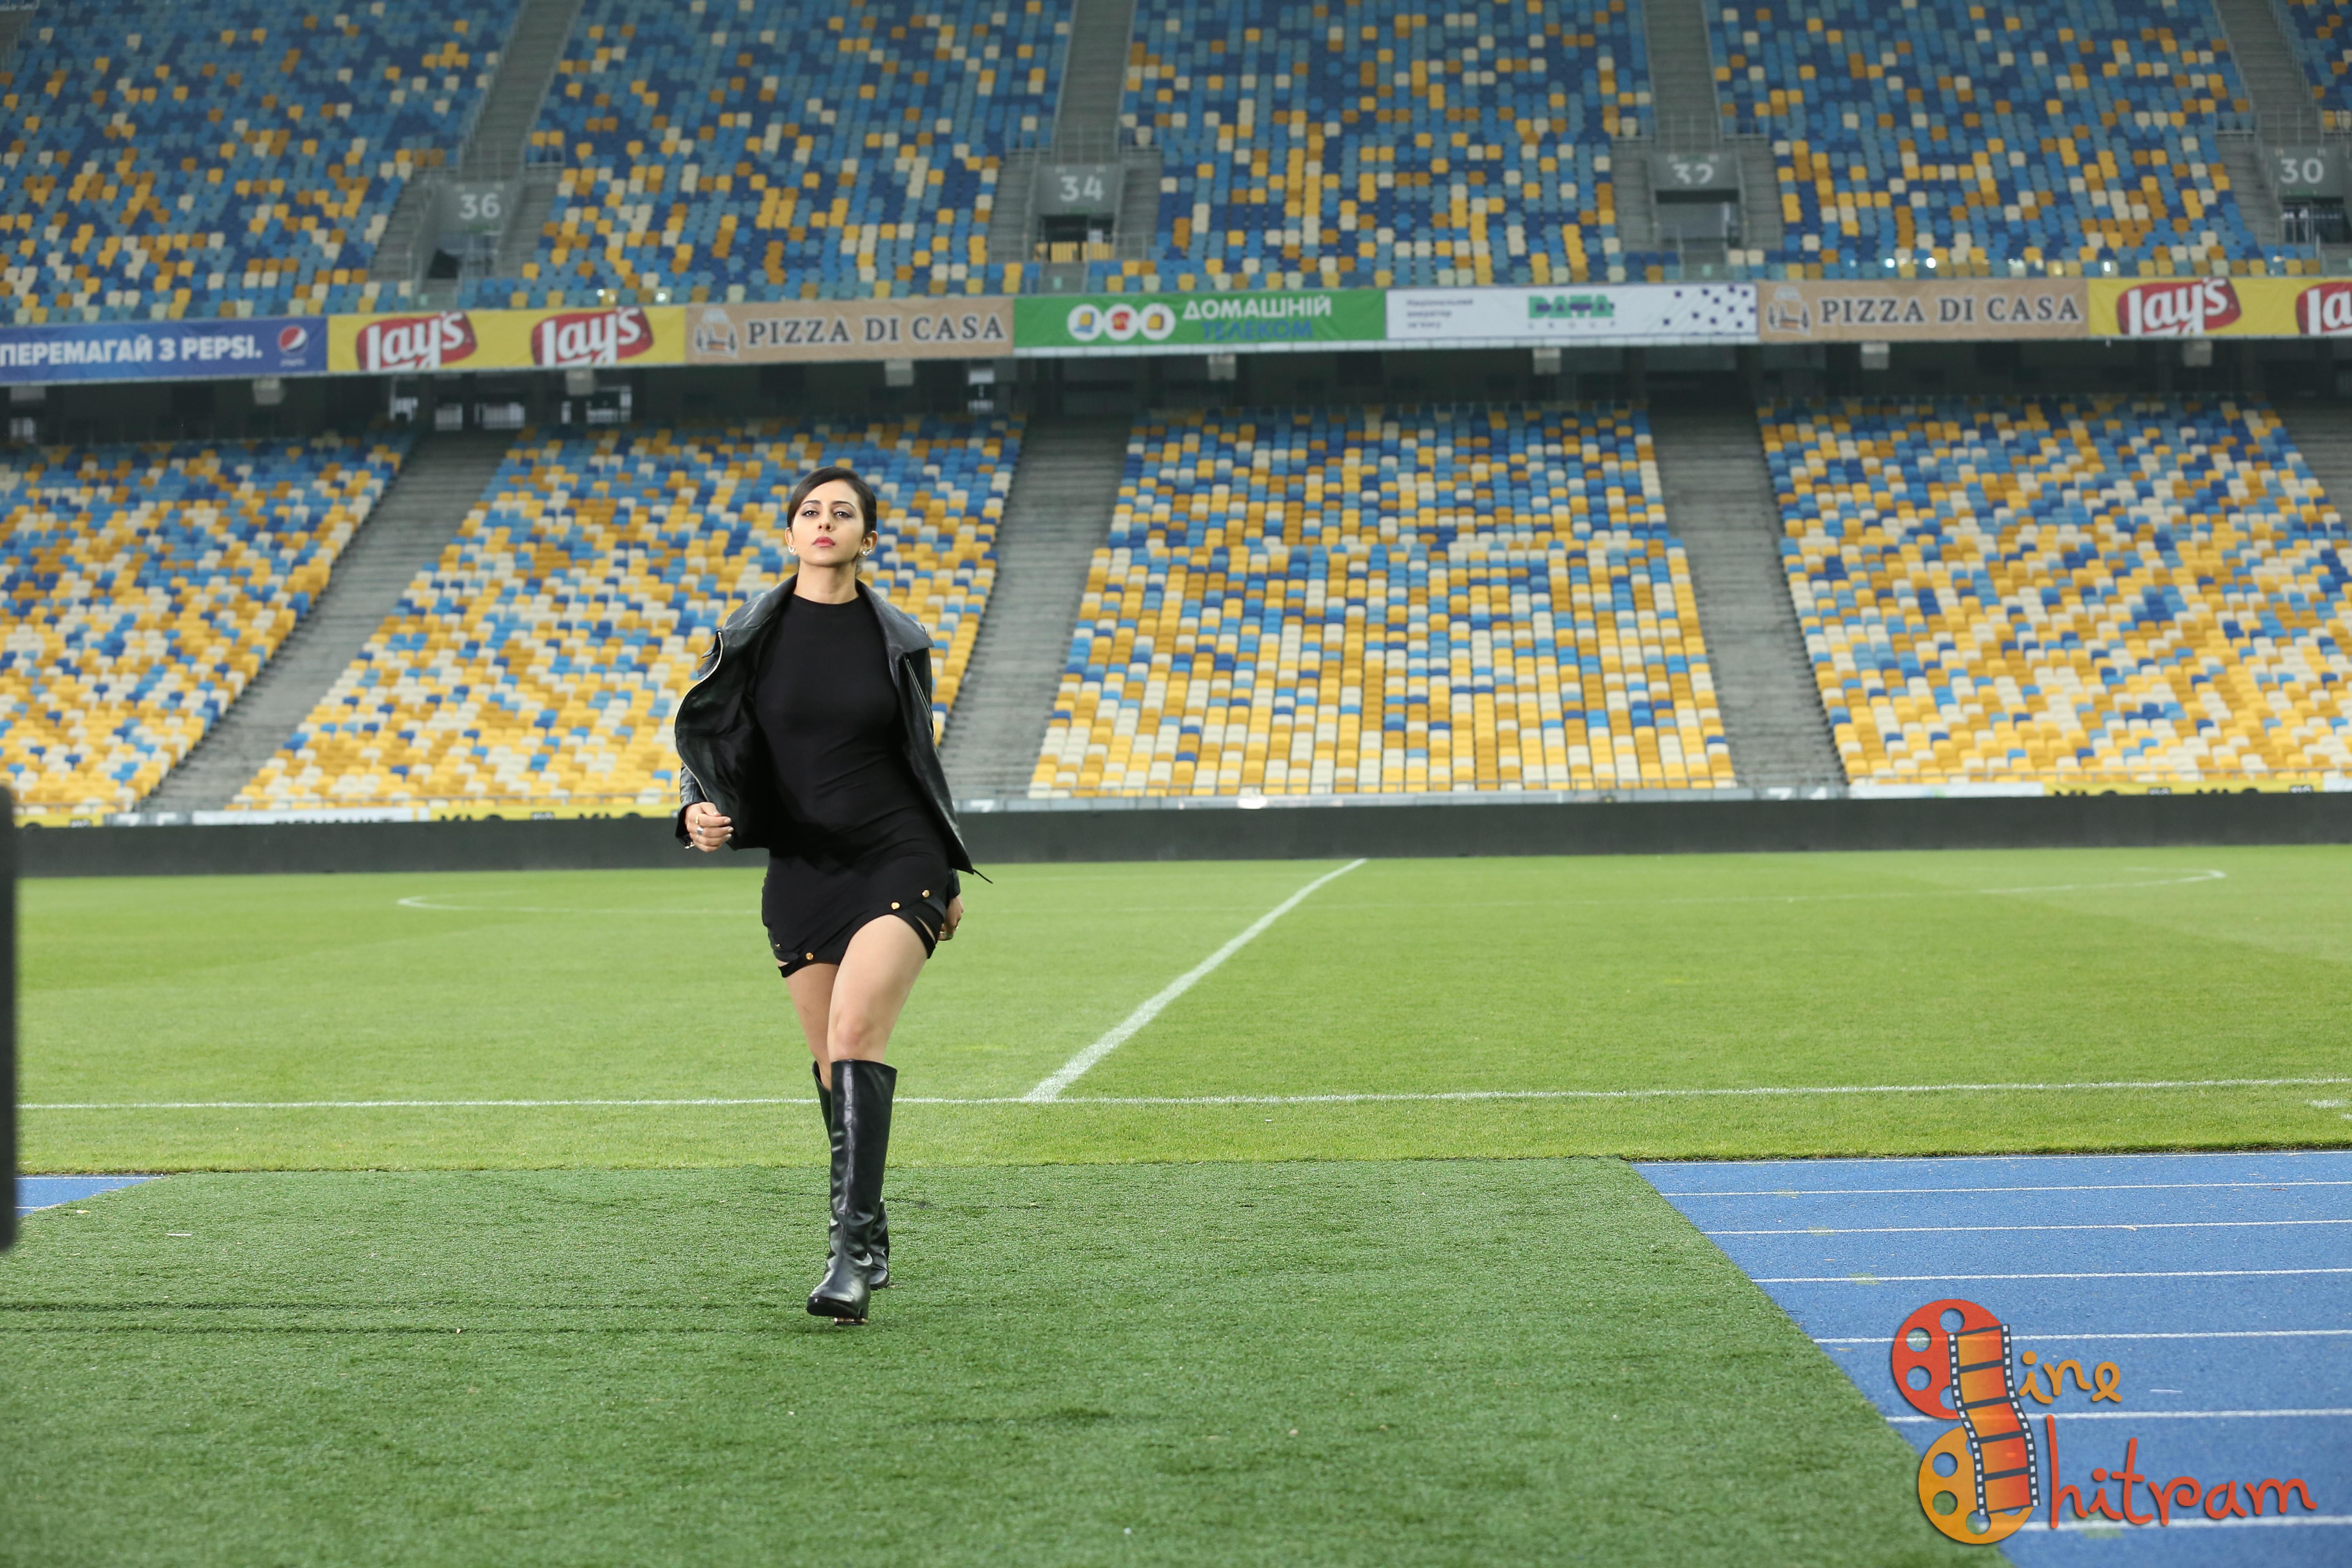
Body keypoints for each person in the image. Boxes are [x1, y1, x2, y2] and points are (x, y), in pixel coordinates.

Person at [672, 464, 974, 1324]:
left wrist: (947, 869)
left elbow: (920, 759)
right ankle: (869, 1233)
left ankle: (847, 1259)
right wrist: (693, 810)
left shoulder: (900, 639)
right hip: (802, 871)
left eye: (843, 513)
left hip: (898, 854)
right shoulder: (747, 638)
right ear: (792, 533)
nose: (825, 522)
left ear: (866, 538)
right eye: (811, 511)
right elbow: (708, 742)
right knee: (829, 1065)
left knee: (854, 1036)